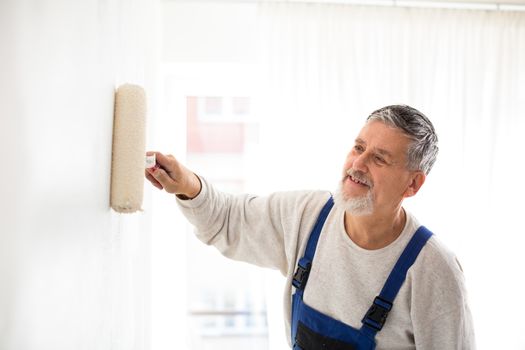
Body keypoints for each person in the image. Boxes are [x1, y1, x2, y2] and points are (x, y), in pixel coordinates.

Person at [145, 105, 476, 349]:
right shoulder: (308, 216)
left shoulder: (434, 269)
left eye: (379, 158)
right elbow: (230, 220)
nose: (357, 165)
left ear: (412, 184)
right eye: (359, 148)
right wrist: (188, 185)